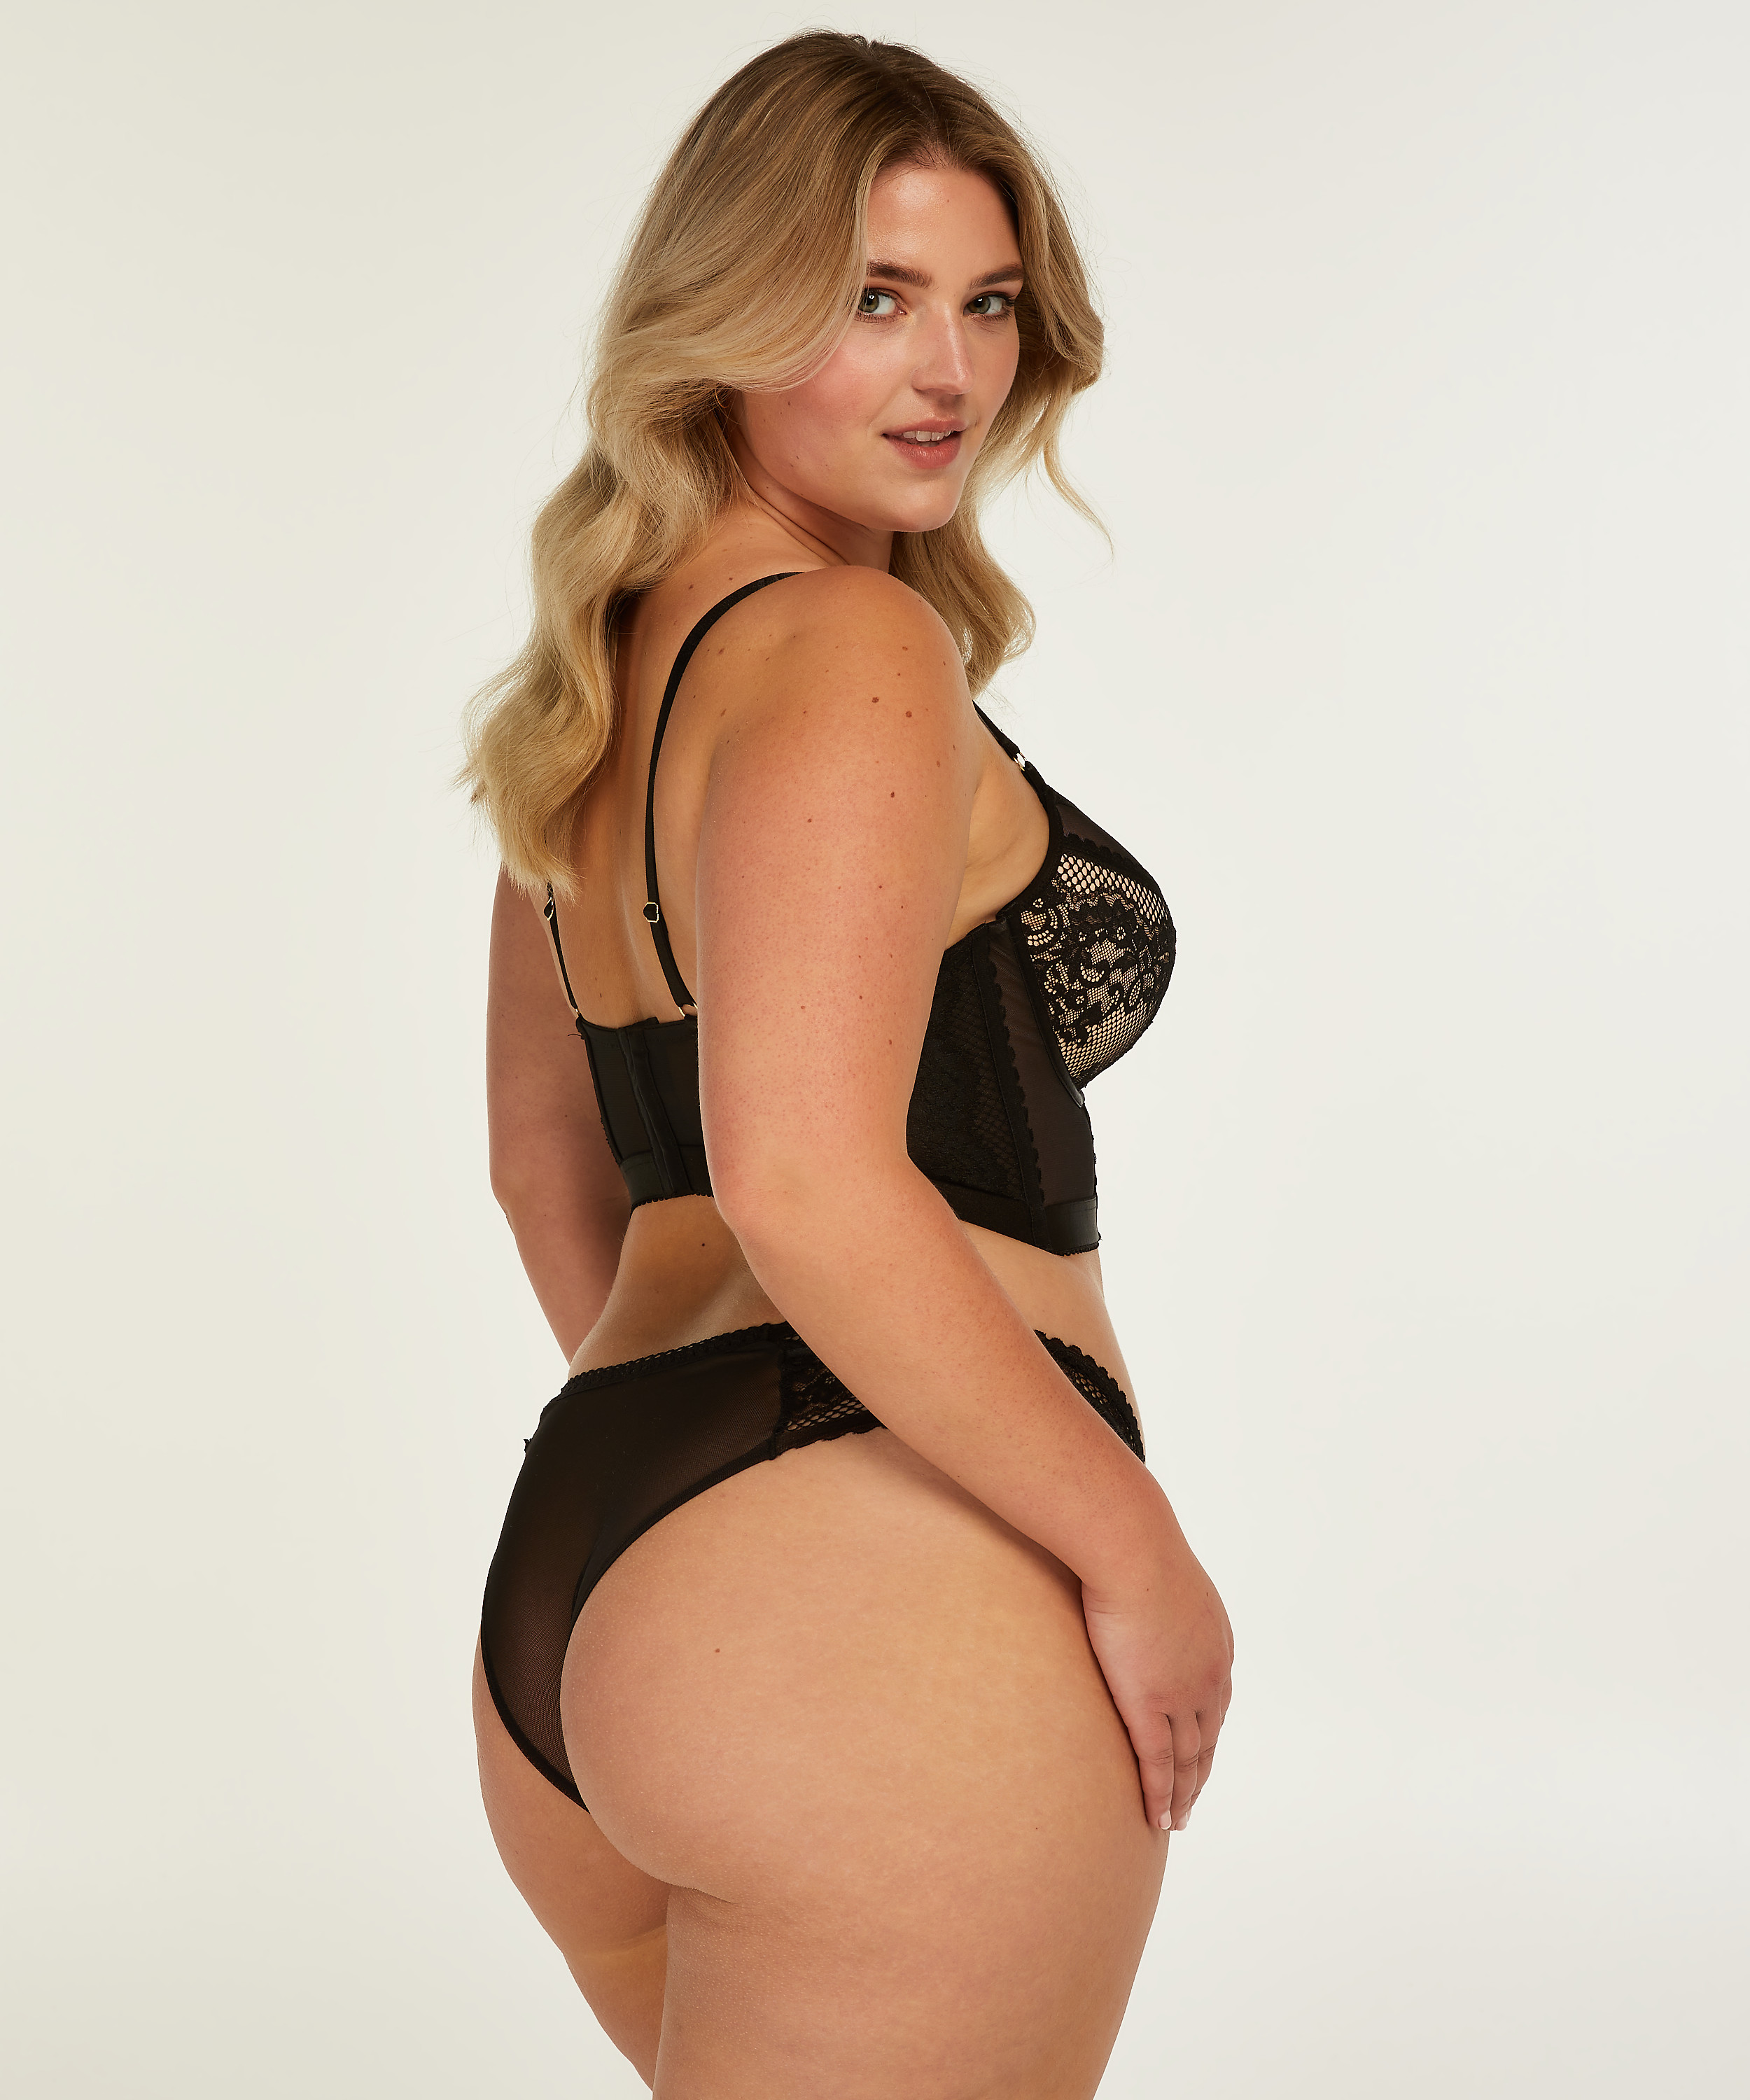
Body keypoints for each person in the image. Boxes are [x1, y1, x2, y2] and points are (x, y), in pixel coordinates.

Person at [462, 31, 1234, 2096]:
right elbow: (800, 1176)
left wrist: (691, 1529)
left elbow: (552, 1173)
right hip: (866, 1592)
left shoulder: (592, 683)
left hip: (587, 1568)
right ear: (721, 310)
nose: (948, 373)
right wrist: (1131, 1550)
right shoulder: (848, 645)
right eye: (873, 299)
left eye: (987, 305)